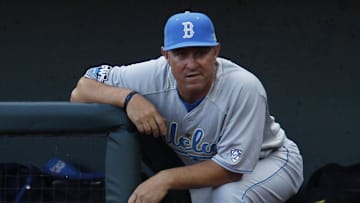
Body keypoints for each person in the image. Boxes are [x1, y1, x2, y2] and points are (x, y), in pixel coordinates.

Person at [71, 11, 303, 203]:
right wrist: (129, 98)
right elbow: (81, 91)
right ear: (166, 56)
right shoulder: (150, 76)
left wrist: (165, 179)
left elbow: (232, 170)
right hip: (204, 168)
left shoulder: (244, 87)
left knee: (228, 198)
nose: (191, 64)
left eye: (200, 52)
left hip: (270, 161)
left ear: (216, 52)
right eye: (181, 54)